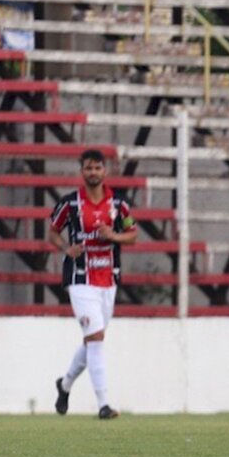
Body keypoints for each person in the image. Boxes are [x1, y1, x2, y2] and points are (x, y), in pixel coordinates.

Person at [49, 149, 137, 419]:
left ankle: (64, 384)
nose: (93, 172)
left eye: (98, 168)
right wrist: (66, 248)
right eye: (88, 168)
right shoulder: (70, 204)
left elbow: (132, 235)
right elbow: (53, 232)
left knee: (92, 340)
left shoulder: (120, 205)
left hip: (108, 278)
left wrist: (113, 235)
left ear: (105, 171)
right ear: (82, 171)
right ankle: (104, 405)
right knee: (96, 339)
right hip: (80, 278)